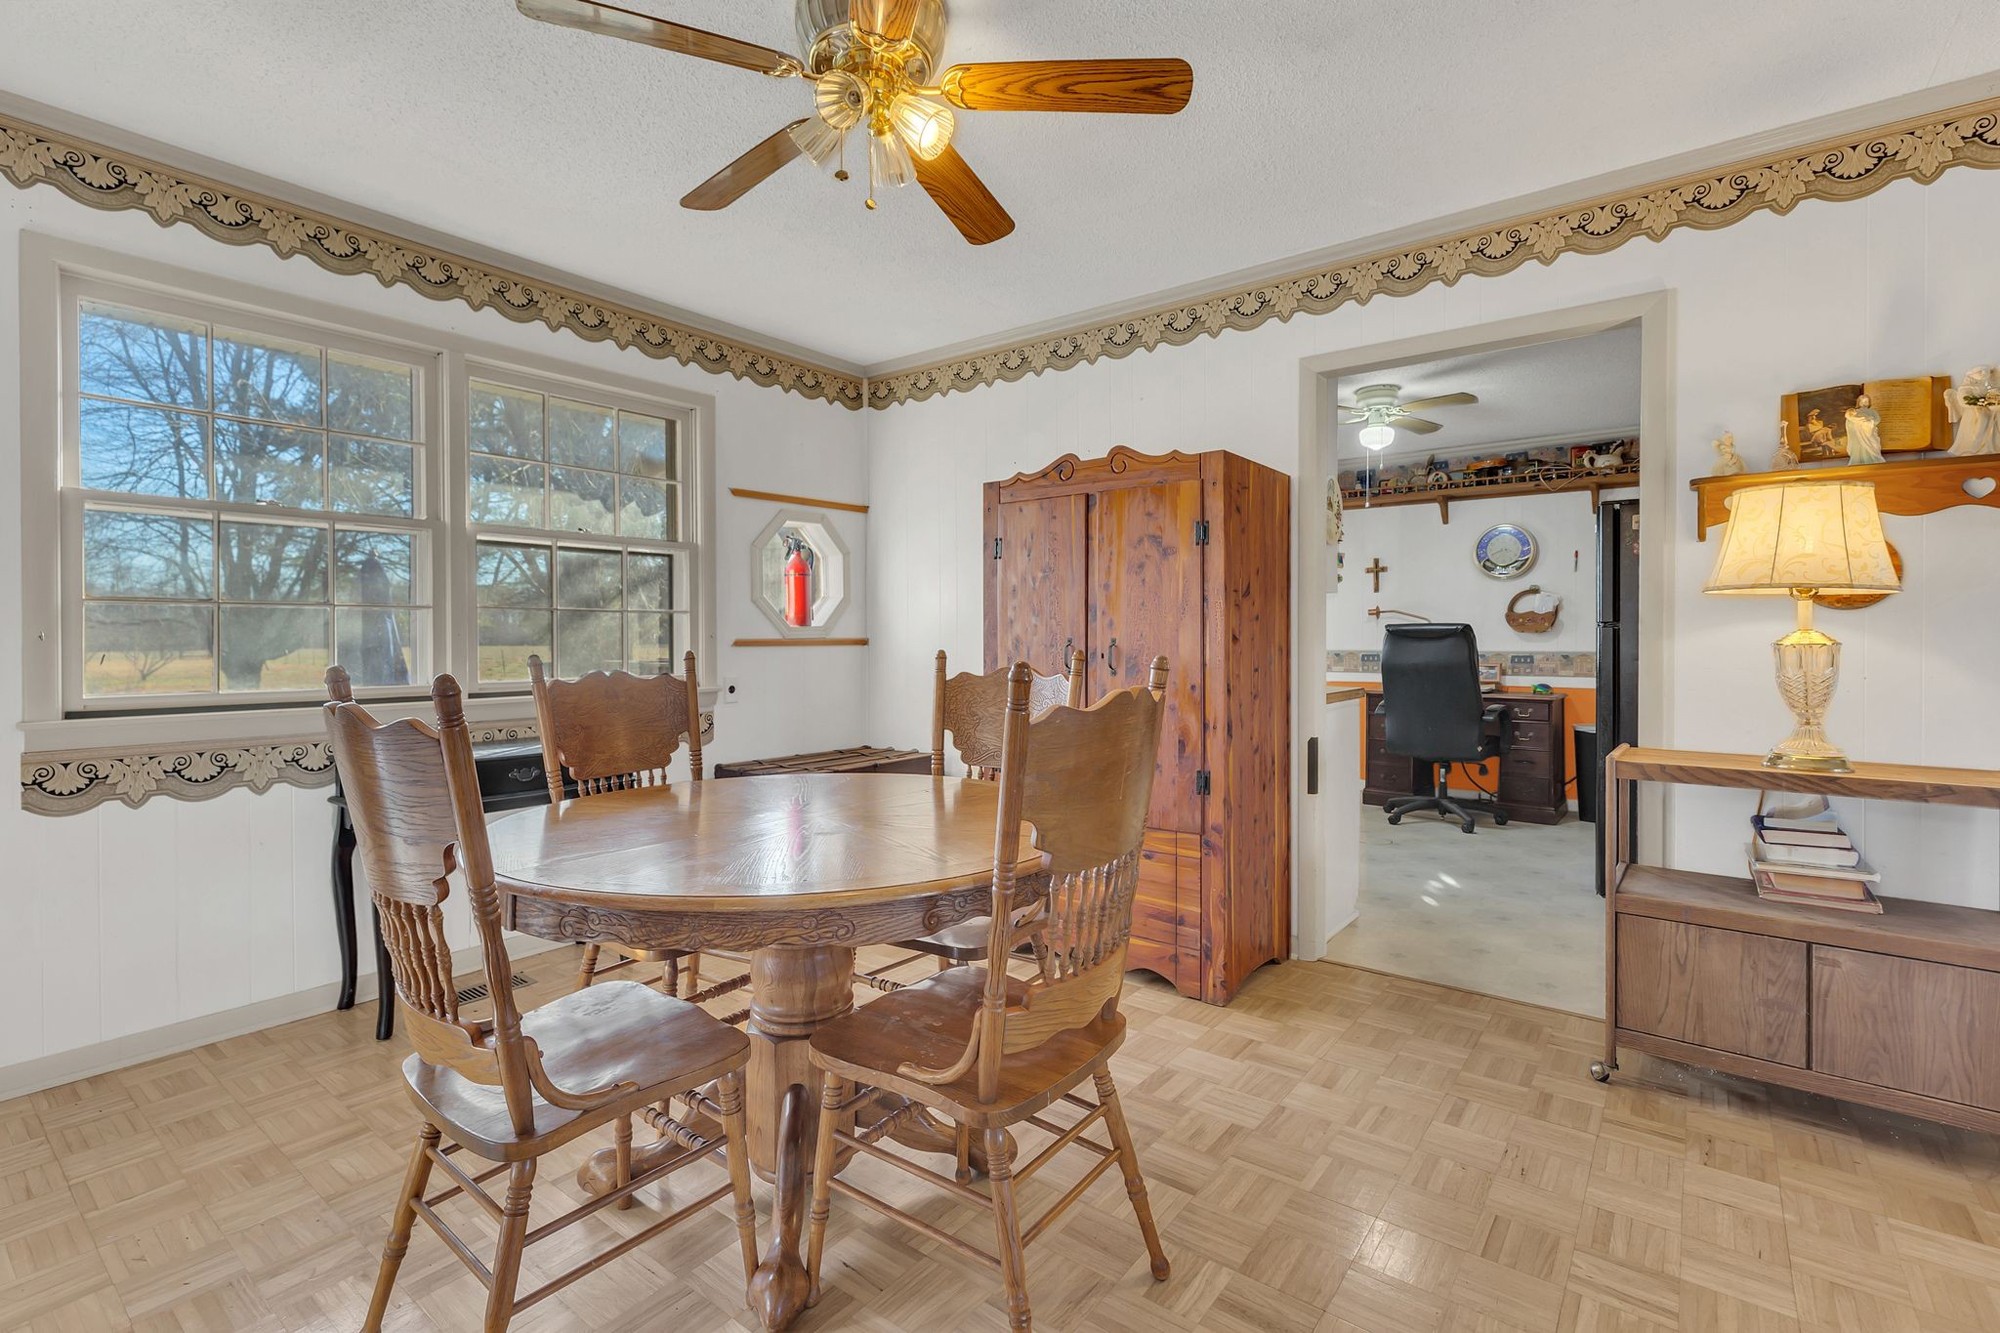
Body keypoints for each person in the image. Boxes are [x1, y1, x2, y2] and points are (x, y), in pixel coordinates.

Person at [1947, 366, 2000, 455]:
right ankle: (1973, 446)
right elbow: (1963, 400)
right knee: (1981, 420)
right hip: (1973, 412)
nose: (1984, 374)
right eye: (1981, 372)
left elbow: (1993, 396)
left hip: (1986, 410)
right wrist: (1978, 402)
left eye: (1985, 373)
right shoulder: (1965, 388)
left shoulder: (1987, 386)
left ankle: (1990, 446)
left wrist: (1991, 400)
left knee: (1992, 418)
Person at [1845, 394, 1884, 465]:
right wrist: (1861, 422)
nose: (1864, 403)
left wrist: (1869, 422)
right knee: (1859, 447)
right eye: (1863, 401)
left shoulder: (1873, 411)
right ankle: (1858, 460)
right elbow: (1850, 421)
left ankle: (1874, 458)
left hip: (1870, 434)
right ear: (1859, 402)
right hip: (1858, 434)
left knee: (1873, 446)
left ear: (1869, 402)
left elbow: (1877, 420)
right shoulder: (1854, 412)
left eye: (1866, 401)